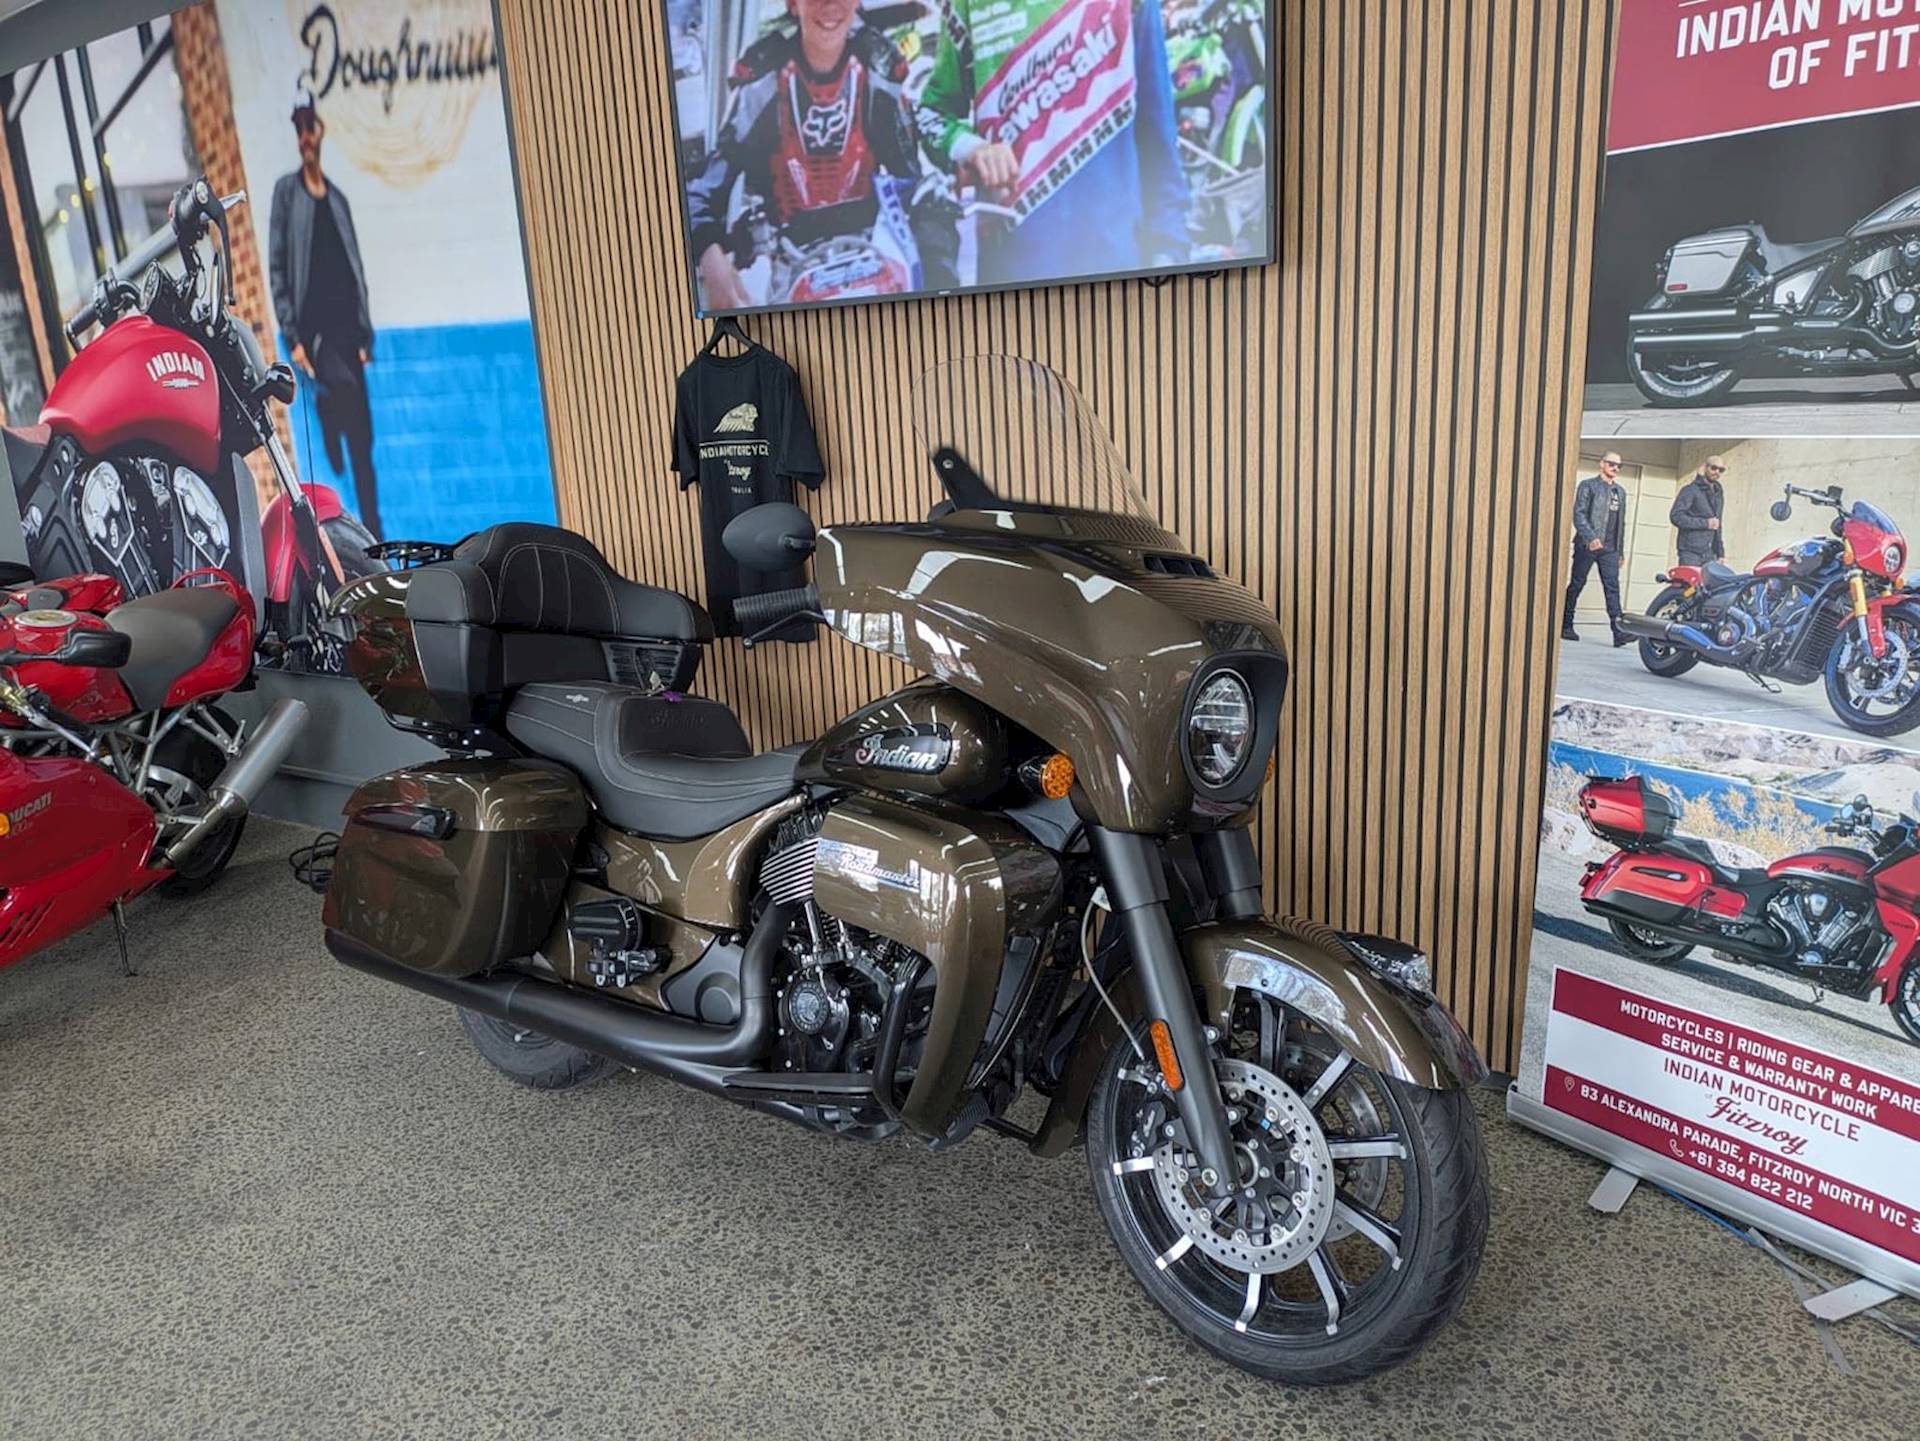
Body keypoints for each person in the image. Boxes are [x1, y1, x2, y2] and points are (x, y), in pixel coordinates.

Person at [917, 0, 1188, 287]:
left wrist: (1167, 252)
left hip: (1120, 261)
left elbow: (1157, 136)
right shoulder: (966, 5)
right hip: (1013, 272)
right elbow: (930, 113)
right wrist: (971, 148)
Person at [685, 0, 936, 309]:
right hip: (793, 267)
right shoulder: (763, 82)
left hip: (874, 258)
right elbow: (700, 192)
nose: (830, 5)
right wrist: (712, 259)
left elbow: (913, 184)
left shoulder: (878, 71)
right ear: (793, 4)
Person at [268, 82, 380, 537]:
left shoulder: (337, 200)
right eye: (298, 130)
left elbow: (356, 266)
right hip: (317, 337)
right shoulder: (286, 193)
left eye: (309, 128)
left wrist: (366, 335)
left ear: (320, 130)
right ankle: (328, 412)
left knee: (364, 441)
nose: (305, 138)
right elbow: (277, 267)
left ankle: (375, 531)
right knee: (341, 394)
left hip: (350, 337)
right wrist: (292, 337)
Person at [1562, 452, 1629, 645]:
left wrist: (1620, 551)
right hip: (1587, 545)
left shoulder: (1620, 492)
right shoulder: (1588, 486)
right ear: (1602, 464)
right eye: (1612, 464)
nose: (1615, 468)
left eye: (1619, 465)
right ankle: (1565, 625)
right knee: (1577, 584)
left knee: (1612, 588)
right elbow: (1579, 515)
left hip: (1610, 549)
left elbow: (1620, 524)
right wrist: (1591, 537)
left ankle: (1619, 632)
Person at [1670, 455, 1727, 567]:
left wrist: (1720, 553)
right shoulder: (1690, 490)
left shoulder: (1718, 493)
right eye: (1714, 468)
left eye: (1721, 470)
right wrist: (1705, 523)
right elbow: (1676, 516)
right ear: (1705, 467)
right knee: (1689, 579)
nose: (1717, 472)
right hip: (1690, 553)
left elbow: (1717, 524)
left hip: (1710, 554)